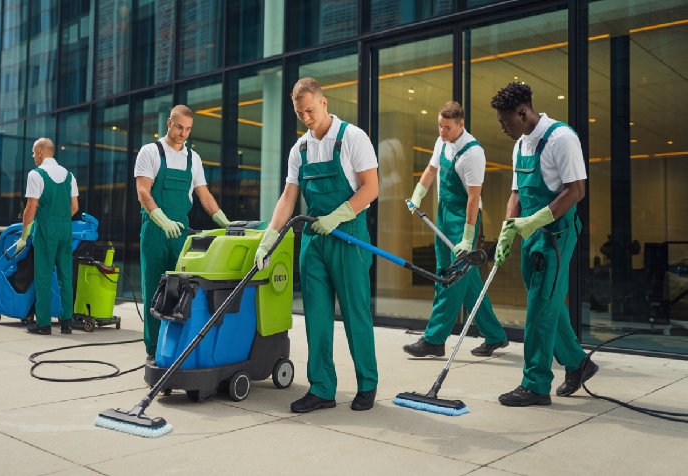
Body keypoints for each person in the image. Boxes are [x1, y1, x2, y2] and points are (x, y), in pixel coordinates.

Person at [254, 78, 379, 413]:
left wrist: (339, 215)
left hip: (347, 235)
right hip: (313, 239)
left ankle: (367, 384)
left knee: (355, 314)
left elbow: (371, 188)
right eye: (299, 113)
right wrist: (269, 236)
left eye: (309, 110)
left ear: (324, 103)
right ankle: (322, 388)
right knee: (317, 318)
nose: (306, 118)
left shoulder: (353, 137)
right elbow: (288, 197)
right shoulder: (301, 149)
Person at [491, 82, 598, 406]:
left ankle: (536, 384)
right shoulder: (520, 144)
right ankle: (579, 363)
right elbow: (515, 193)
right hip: (530, 234)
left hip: (556, 234)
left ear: (523, 113)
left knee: (539, 306)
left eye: (506, 121)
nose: (503, 127)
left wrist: (534, 222)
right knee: (547, 303)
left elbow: (576, 190)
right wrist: (508, 229)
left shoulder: (561, 139)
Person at [402, 101, 508, 358]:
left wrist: (467, 238)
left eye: (447, 127)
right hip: (443, 213)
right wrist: (418, 194)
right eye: (439, 126)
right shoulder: (442, 142)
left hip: (464, 219)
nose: (442, 131)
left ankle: (434, 339)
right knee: (466, 280)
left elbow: (473, 199)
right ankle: (494, 334)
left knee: (450, 279)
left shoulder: (473, 153)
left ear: (461, 124)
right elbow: (430, 170)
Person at [135, 105, 230, 359]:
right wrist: (160, 218)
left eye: (188, 129)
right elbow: (143, 191)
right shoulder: (150, 152)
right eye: (179, 127)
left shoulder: (193, 158)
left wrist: (224, 222)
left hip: (180, 233)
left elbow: (204, 195)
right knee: (154, 288)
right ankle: (154, 349)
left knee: (181, 290)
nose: (183, 133)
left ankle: (177, 346)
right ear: (169, 123)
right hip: (155, 228)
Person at [17, 138, 79, 335]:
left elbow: (30, 208)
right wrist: (60, 220)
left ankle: (43, 324)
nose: (33, 156)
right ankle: (67, 322)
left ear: (42, 152)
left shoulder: (36, 174)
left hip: (46, 228)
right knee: (65, 276)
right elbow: (75, 207)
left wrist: (24, 236)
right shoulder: (69, 175)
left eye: (34, 152)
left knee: (43, 276)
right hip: (65, 228)